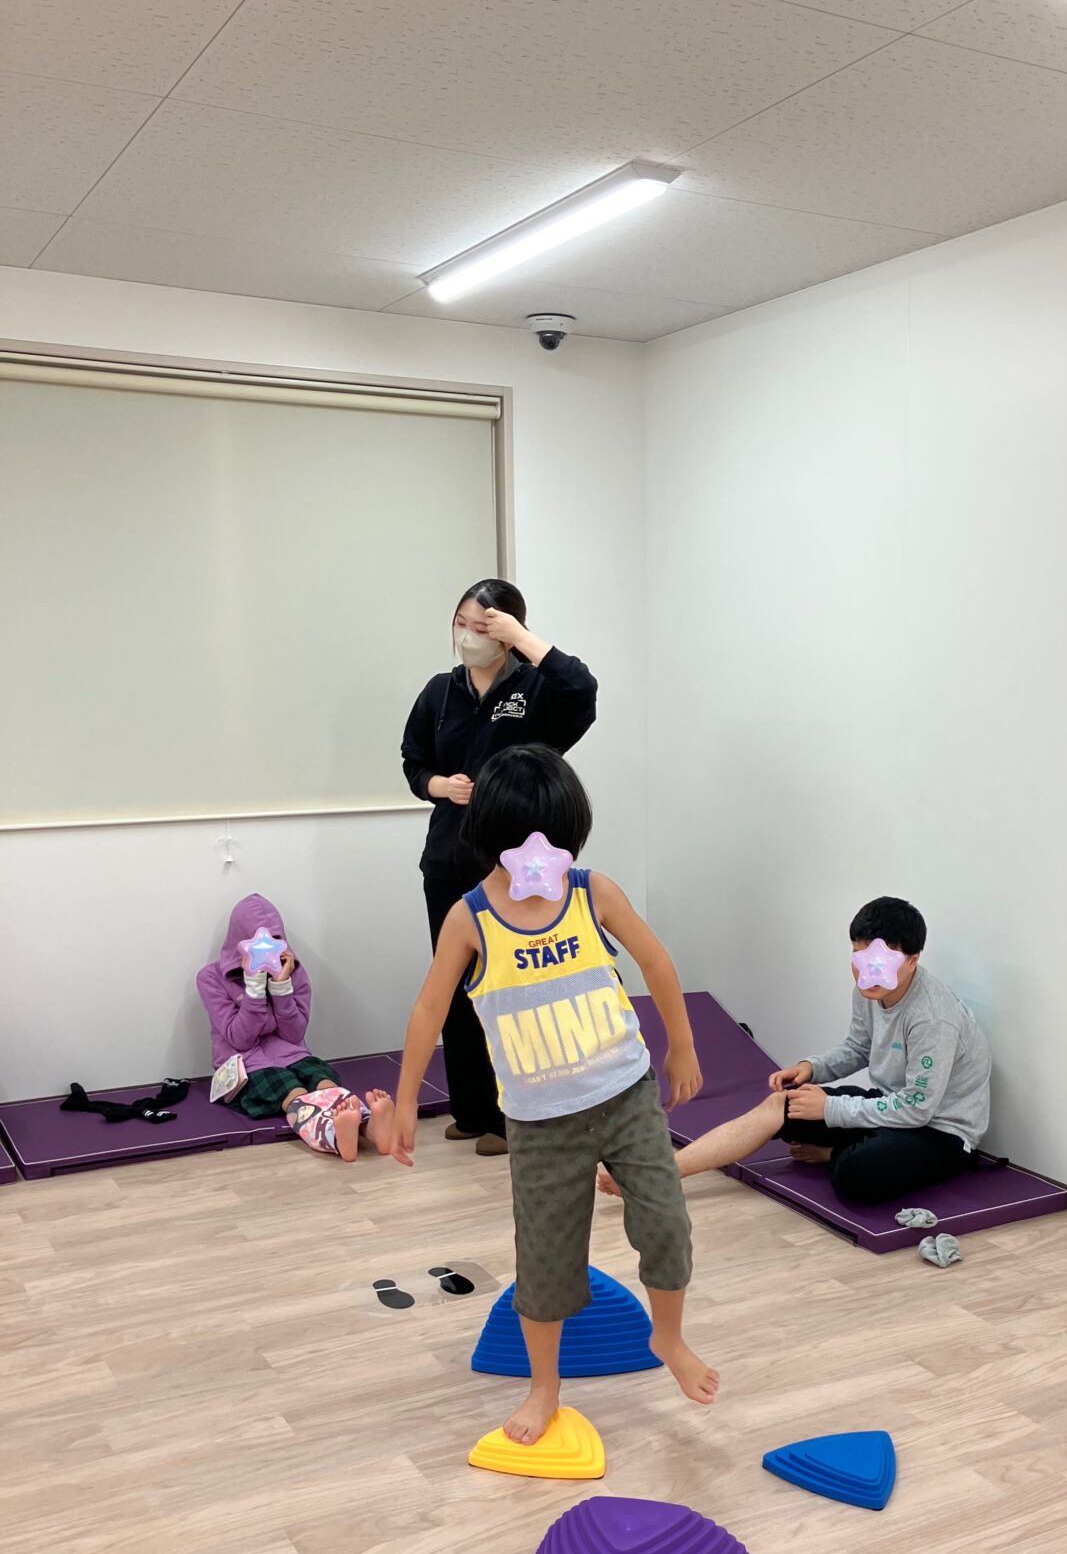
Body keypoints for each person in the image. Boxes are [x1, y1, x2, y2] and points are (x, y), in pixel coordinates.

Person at [391, 744, 717, 1445]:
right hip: (540, 1123)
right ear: (495, 841)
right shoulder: (471, 919)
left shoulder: (592, 892)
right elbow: (428, 1010)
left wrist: (683, 1044)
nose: (545, 859)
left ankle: (668, 1337)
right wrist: (405, 1101)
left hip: (625, 1096)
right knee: (544, 1264)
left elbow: (656, 960)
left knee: (667, 1224)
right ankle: (544, 1388)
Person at [603, 896, 990, 1207]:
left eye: (880, 963)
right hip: (889, 1106)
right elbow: (859, 1047)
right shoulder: (869, 989)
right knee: (782, 1105)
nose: (866, 973)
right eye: (859, 960)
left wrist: (831, 1108)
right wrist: (812, 1068)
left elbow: (918, 1109)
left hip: (940, 1131)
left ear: (913, 960)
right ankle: (660, 1173)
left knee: (855, 1176)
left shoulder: (933, 1018)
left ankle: (834, 1153)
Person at [401, 579, 597, 1158]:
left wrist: (523, 640)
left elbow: (582, 689)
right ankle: (472, 1110)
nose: (469, 635)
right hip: (448, 859)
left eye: (483, 625)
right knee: (459, 987)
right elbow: (414, 763)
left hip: (519, 867)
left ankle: (516, 1117)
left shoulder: (537, 688)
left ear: (509, 630)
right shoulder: (440, 692)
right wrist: (439, 785)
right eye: (461, 622)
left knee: (515, 988)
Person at [196, 893, 394, 1161]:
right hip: (245, 1064)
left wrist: (281, 986)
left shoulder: (295, 972)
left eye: (275, 940)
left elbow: (294, 1034)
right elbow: (241, 1040)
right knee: (293, 1090)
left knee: (323, 1080)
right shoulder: (211, 978)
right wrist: (254, 987)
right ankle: (334, 1136)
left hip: (293, 1054)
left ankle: (370, 1128)